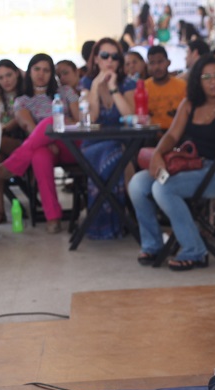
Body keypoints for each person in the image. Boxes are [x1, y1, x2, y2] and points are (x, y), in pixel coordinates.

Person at [128, 54, 215, 270]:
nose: (212, 81)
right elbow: (172, 135)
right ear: (197, 81)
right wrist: (158, 155)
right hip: (186, 165)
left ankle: (195, 250)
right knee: (137, 184)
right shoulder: (189, 104)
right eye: (206, 77)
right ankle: (152, 245)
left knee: (163, 190)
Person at [0, 52, 80, 234]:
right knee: (39, 155)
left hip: (70, 144)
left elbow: (79, 121)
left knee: (49, 122)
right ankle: (53, 217)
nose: (41, 74)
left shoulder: (65, 92)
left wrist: (56, 125)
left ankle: (12, 164)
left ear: (52, 73)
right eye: (37, 69)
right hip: (44, 146)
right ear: (29, 71)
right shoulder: (22, 100)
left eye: (46, 70)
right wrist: (47, 138)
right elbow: (26, 124)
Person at [80, 37, 137, 240]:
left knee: (118, 152)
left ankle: (118, 221)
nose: (109, 61)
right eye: (104, 56)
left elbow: (130, 117)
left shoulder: (127, 83)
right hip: (94, 145)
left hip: (122, 143)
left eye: (115, 57)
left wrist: (113, 88)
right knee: (116, 155)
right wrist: (96, 87)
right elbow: (91, 119)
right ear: (95, 59)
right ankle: (125, 220)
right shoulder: (87, 82)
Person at [0, 59, 27, 224]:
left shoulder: (26, 93)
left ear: (17, 73)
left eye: (9, 75)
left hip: (23, 141)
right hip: (1, 144)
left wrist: (1, 131)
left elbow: (19, 120)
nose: (6, 80)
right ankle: (0, 212)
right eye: (1, 77)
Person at [144, 45, 186, 129]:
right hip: (150, 133)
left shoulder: (182, 86)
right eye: (152, 63)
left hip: (178, 133)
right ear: (147, 65)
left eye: (160, 62)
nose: (156, 67)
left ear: (168, 62)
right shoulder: (143, 88)